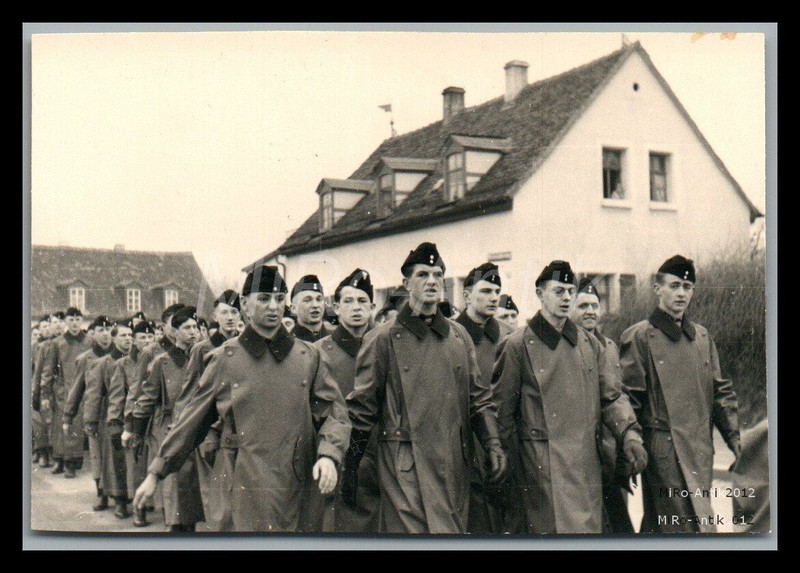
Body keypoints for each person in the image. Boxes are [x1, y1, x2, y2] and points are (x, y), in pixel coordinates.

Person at [133, 266, 351, 532]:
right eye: (263, 299)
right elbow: (191, 420)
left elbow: (335, 414)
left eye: (279, 299)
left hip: (295, 480)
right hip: (241, 480)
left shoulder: (309, 357)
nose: (273, 306)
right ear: (245, 306)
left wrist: (329, 454)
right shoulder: (225, 358)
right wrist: (157, 472)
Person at [343, 242, 507, 534]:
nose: (431, 281)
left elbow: (479, 399)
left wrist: (493, 444)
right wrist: (350, 467)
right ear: (406, 283)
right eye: (422, 274)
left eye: (437, 274)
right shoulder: (382, 338)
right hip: (404, 468)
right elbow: (362, 409)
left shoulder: (459, 337)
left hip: (452, 466)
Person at [492, 260, 646, 534]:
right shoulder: (517, 345)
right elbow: (502, 415)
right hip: (540, 474)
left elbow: (611, 398)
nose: (565, 298)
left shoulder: (590, 345)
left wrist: (630, 434)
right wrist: (509, 470)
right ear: (540, 294)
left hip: (585, 470)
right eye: (558, 291)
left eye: (569, 291)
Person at [620, 255, 740, 533]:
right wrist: (627, 449)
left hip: (699, 449)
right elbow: (629, 400)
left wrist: (734, 436)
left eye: (687, 286)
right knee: (678, 527)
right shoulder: (638, 337)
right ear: (657, 288)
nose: (681, 293)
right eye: (674, 286)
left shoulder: (701, 337)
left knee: (687, 524)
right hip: (663, 451)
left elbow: (720, 392)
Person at [315, 269, 378, 533]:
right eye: (348, 301)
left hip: (378, 454)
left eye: (362, 301)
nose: (356, 308)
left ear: (373, 307)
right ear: (336, 307)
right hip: (338, 455)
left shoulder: (384, 346)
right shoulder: (318, 352)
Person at [173, 289, 241, 529]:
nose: (230, 317)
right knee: (216, 496)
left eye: (234, 312)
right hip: (211, 431)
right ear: (215, 316)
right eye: (224, 313)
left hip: (239, 429)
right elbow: (190, 392)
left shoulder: (247, 345)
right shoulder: (202, 349)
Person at [570, 278, 634, 533]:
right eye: (583, 305)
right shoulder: (566, 347)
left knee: (618, 526)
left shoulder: (609, 347)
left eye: (595, 306)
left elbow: (618, 394)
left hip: (609, 454)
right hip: (577, 455)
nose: (590, 311)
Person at [455, 262, 514, 533]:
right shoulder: (452, 336)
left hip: (502, 437)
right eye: (486, 291)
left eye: (497, 292)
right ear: (467, 296)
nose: (494, 298)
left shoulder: (510, 337)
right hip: (466, 442)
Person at [132, 306, 203, 532]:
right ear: (174, 331)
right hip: (169, 427)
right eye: (187, 328)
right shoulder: (162, 362)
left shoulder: (205, 357)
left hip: (198, 425)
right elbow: (146, 398)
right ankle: (173, 528)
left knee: (192, 487)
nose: (193, 332)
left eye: (196, 327)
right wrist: (137, 431)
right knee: (174, 481)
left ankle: (187, 527)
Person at [77, 319, 133, 518]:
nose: (127, 339)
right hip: (110, 417)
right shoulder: (103, 364)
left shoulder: (137, 360)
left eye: (130, 336)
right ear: (114, 339)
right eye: (123, 335)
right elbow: (93, 394)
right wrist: (90, 421)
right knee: (114, 460)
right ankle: (117, 500)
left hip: (134, 416)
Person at [107, 319, 155, 525]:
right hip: (133, 418)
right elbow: (118, 396)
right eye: (141, 337)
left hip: (154, 417)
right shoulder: (123, 364)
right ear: (134, 341)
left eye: (149, 337)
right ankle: (138, 509)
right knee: (136, 465)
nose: (146, 341)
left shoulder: (158, 359)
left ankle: (148, 501)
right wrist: (115, 423)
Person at [63, 316, 115, 508]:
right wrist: (68, 416)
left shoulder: (119, 356)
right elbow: (76, 389)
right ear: (93, 334)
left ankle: (118, 493)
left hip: (115, 413)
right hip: (95, 414)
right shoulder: (85, 359)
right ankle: (101, 493)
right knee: (96, 454)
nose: (105, 334)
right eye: (100, 330)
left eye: (108, 330)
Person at [40, 308, 92, 478]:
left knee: (75, 425)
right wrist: (45, 393)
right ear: (66, 322)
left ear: (82, 321)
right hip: (63, 389)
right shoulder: (58, 343)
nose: (75, 323)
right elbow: (48, 369)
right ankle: (60, 459)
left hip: (84, 388)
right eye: (71, 319)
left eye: (78, 319)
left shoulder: (89, 342)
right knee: (60, 426)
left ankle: (71, 462)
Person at [290, 274, 332, 342]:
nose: (315, 305)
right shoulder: (287, 343)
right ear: (294, 308)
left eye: (319, 299)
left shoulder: (336, 341)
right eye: (307, 300)